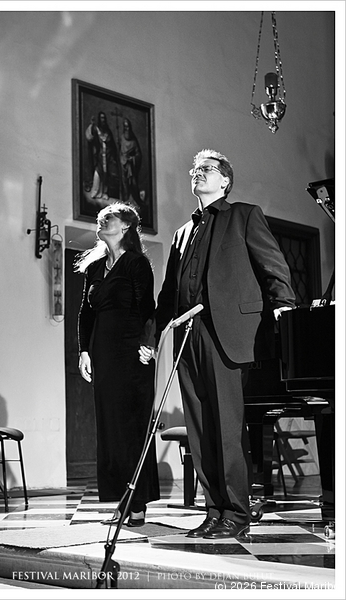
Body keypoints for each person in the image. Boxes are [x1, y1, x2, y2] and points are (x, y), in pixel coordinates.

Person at [140, 148, 295, 539]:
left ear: (225, 180)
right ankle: (214, 511)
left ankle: (237, 514)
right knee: (200, 430)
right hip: (187, 336)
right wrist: (152, 336)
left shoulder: (244, 215)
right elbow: (169, 293)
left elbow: (272, 263)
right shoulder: (182, 232)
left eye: (207, 169)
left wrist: (284, 304)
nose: (198, 173)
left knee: (226, 429)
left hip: (226, 333)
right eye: (194, 169)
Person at [76, 202, 160, 526]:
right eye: (100, 218)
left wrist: (148, 344)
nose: (101, 220)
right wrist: (84, 351)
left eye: (108, 218)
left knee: (133, 428)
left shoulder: (137, 263)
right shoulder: (95, 267)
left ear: (125, 226)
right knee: (110, 429)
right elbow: (85, 313)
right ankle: (121, 499)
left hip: (132, 354)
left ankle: (137, 503)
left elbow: (148, 308)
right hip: (104, 355)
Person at [85, 112, 120, 200]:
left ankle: (104, 192)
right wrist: (91, 125)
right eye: (101, 118)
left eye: (104, 118)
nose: (103, 120)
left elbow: (112, 146)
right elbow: (89, 137)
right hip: (99, 156)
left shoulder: (108, 132)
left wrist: (113, 155)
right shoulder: (96, 129)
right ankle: (95, 191)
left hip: (107, 157)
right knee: (97, 173)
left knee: (106, 174)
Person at [120, 118, 142, 205]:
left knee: (132, 183)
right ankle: (125, 200)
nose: (127, 129)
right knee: (124, 183)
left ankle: (133, 200)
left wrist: (132, 159)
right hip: (123, 164)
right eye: (125, 127)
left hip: (131, 166)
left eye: (128, 126)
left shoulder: (134, 141)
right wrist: (122, 158)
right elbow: (119, 151)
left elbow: (138, 154)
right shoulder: (121, 138)